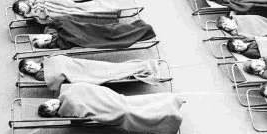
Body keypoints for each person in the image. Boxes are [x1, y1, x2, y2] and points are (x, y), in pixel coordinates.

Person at [36, 82, 184, 134]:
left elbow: (88, 88)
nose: (53, 103)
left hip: (111, 98)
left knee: (134, 102)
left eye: (50, 102)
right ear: (55, 112)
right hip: (112, 109)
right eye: (53, 108)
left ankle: (169, 101)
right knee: (128, 111)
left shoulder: (65, 92)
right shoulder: (67, 107)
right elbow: (85, 109)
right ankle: (169, 116)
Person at [18, 55, 167, 91]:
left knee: (109, 67)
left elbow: (62, 60)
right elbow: (54, 78)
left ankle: (144, 67)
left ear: (34, 62)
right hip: (80, 74)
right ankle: (144, 68)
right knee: (111, 73)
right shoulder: (41, 74)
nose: (32, 68)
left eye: (31, 65)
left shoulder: (46, 60)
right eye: (29, 70)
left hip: (81, 65)